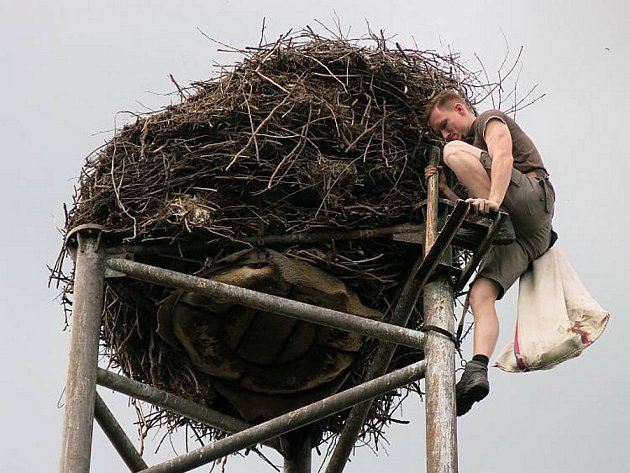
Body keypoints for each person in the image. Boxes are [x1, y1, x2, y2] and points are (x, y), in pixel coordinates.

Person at [423, 90, 556, 416]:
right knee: (480, 295)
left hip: (532, 198)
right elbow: (476, 206)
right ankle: (477, 370)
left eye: (444, 123)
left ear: (459, 108)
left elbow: (504, 157)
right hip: (527, 238)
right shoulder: (478, 161)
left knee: (453, 152)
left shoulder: (488, 120)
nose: (445, 133)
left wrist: (493, 204)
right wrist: (445, 192)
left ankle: (499, 220)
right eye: (439, 131)